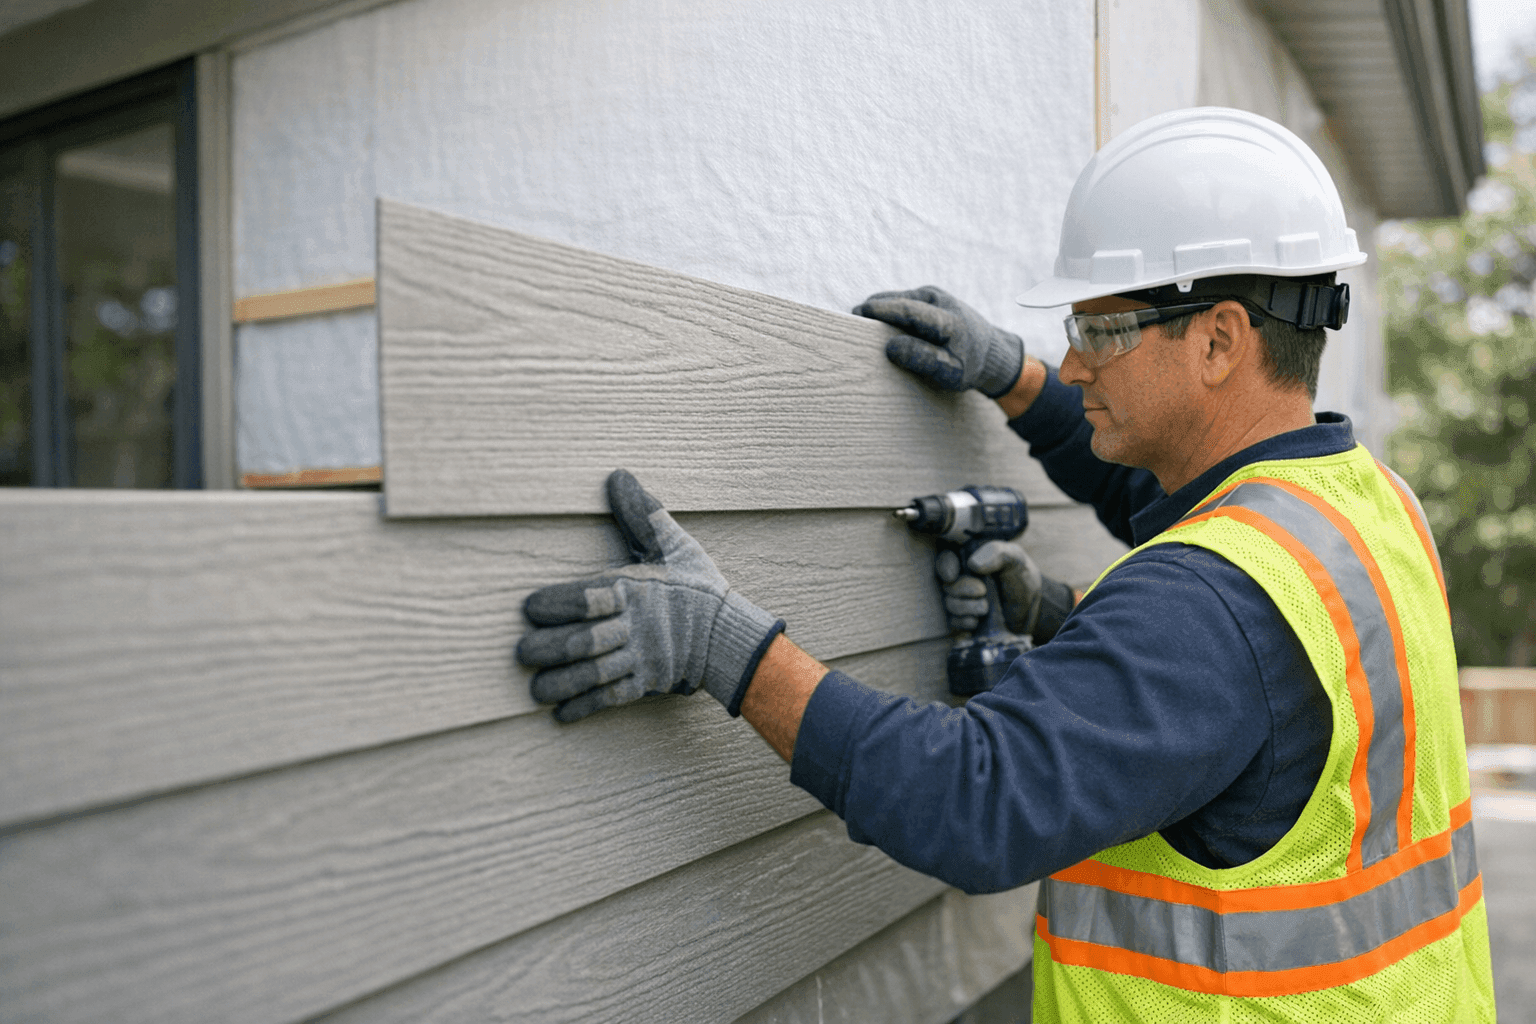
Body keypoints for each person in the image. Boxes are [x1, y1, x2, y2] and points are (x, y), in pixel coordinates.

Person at [515, 108, 1495, 1022]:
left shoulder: (1206, 600)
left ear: (1220, 339)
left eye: (1098, 332)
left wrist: (726, 646)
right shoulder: (1364, 505)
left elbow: (975, 803)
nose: (1073, 365)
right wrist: (1013, 384)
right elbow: (1262, 693)